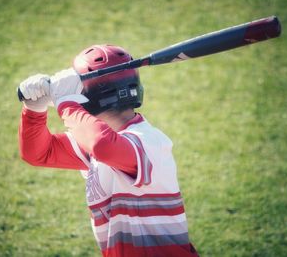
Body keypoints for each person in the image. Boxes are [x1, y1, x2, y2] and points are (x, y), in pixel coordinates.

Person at [18, 44, 199, 257]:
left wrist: (67, 103)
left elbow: (102, 146)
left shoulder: (149, 142)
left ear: (88, 95)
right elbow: (39, 153)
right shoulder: (97, 140)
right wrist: (34, 110)